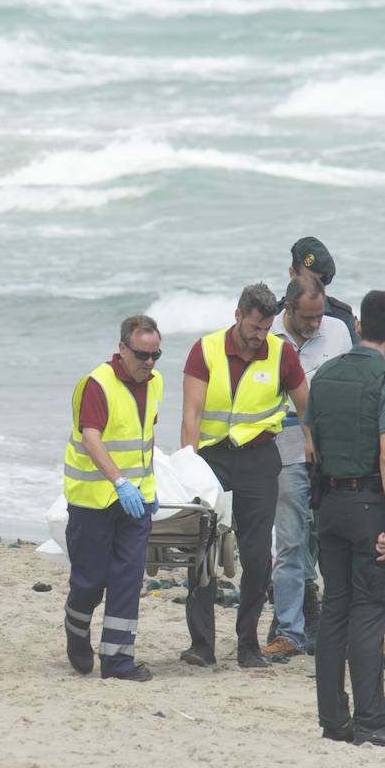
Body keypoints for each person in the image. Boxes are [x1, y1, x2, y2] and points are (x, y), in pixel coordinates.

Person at [309, 290, 385, 746]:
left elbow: (311, 446)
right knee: (370, 613)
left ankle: (335, 722)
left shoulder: (323, 375)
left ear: (357, 326)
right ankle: (374, 722)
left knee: (334, 609)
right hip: (369, 504)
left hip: (328, 504)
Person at [180, 283, 310, 669]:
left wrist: (312, 452)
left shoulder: (281, 354)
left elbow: (307, 408)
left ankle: (248, 644)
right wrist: (189, 469)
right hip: (211, 459)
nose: (259, 336)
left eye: (266, 328)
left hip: (258, 458)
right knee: (202, 550)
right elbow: (191, 415)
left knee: (256, 557)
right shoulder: (206, 350)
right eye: (254, 327)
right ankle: (201, 644)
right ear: (238, 315)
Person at [61, 315, 163, 682]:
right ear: (122, 349)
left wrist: (149, 485)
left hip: (135, 502)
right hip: (93, 500)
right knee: (90, 581)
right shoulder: (97, 385)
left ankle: (118, 661)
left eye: (155, 355)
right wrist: (120, 482)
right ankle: (76, 630)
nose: (148, 363)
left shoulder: (155, 384)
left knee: (128, 578)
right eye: (141, 355)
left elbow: (143, 438)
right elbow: (91, 438)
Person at [264, 274, 351, 657]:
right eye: (307, 318)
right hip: (283, 453)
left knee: (334, 541)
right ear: (288, 309)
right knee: (290, 543)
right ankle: (289, 632)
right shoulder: (267, 339)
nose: (316, 325)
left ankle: (339, 628)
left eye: (319, 316)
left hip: (331, 455)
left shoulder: (338, 332)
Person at [289, 236, 358, 346]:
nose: (317, 287)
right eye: (310, 281)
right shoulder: (273, 317)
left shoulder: (342, 318)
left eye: (323, 280)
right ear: (292, 274)